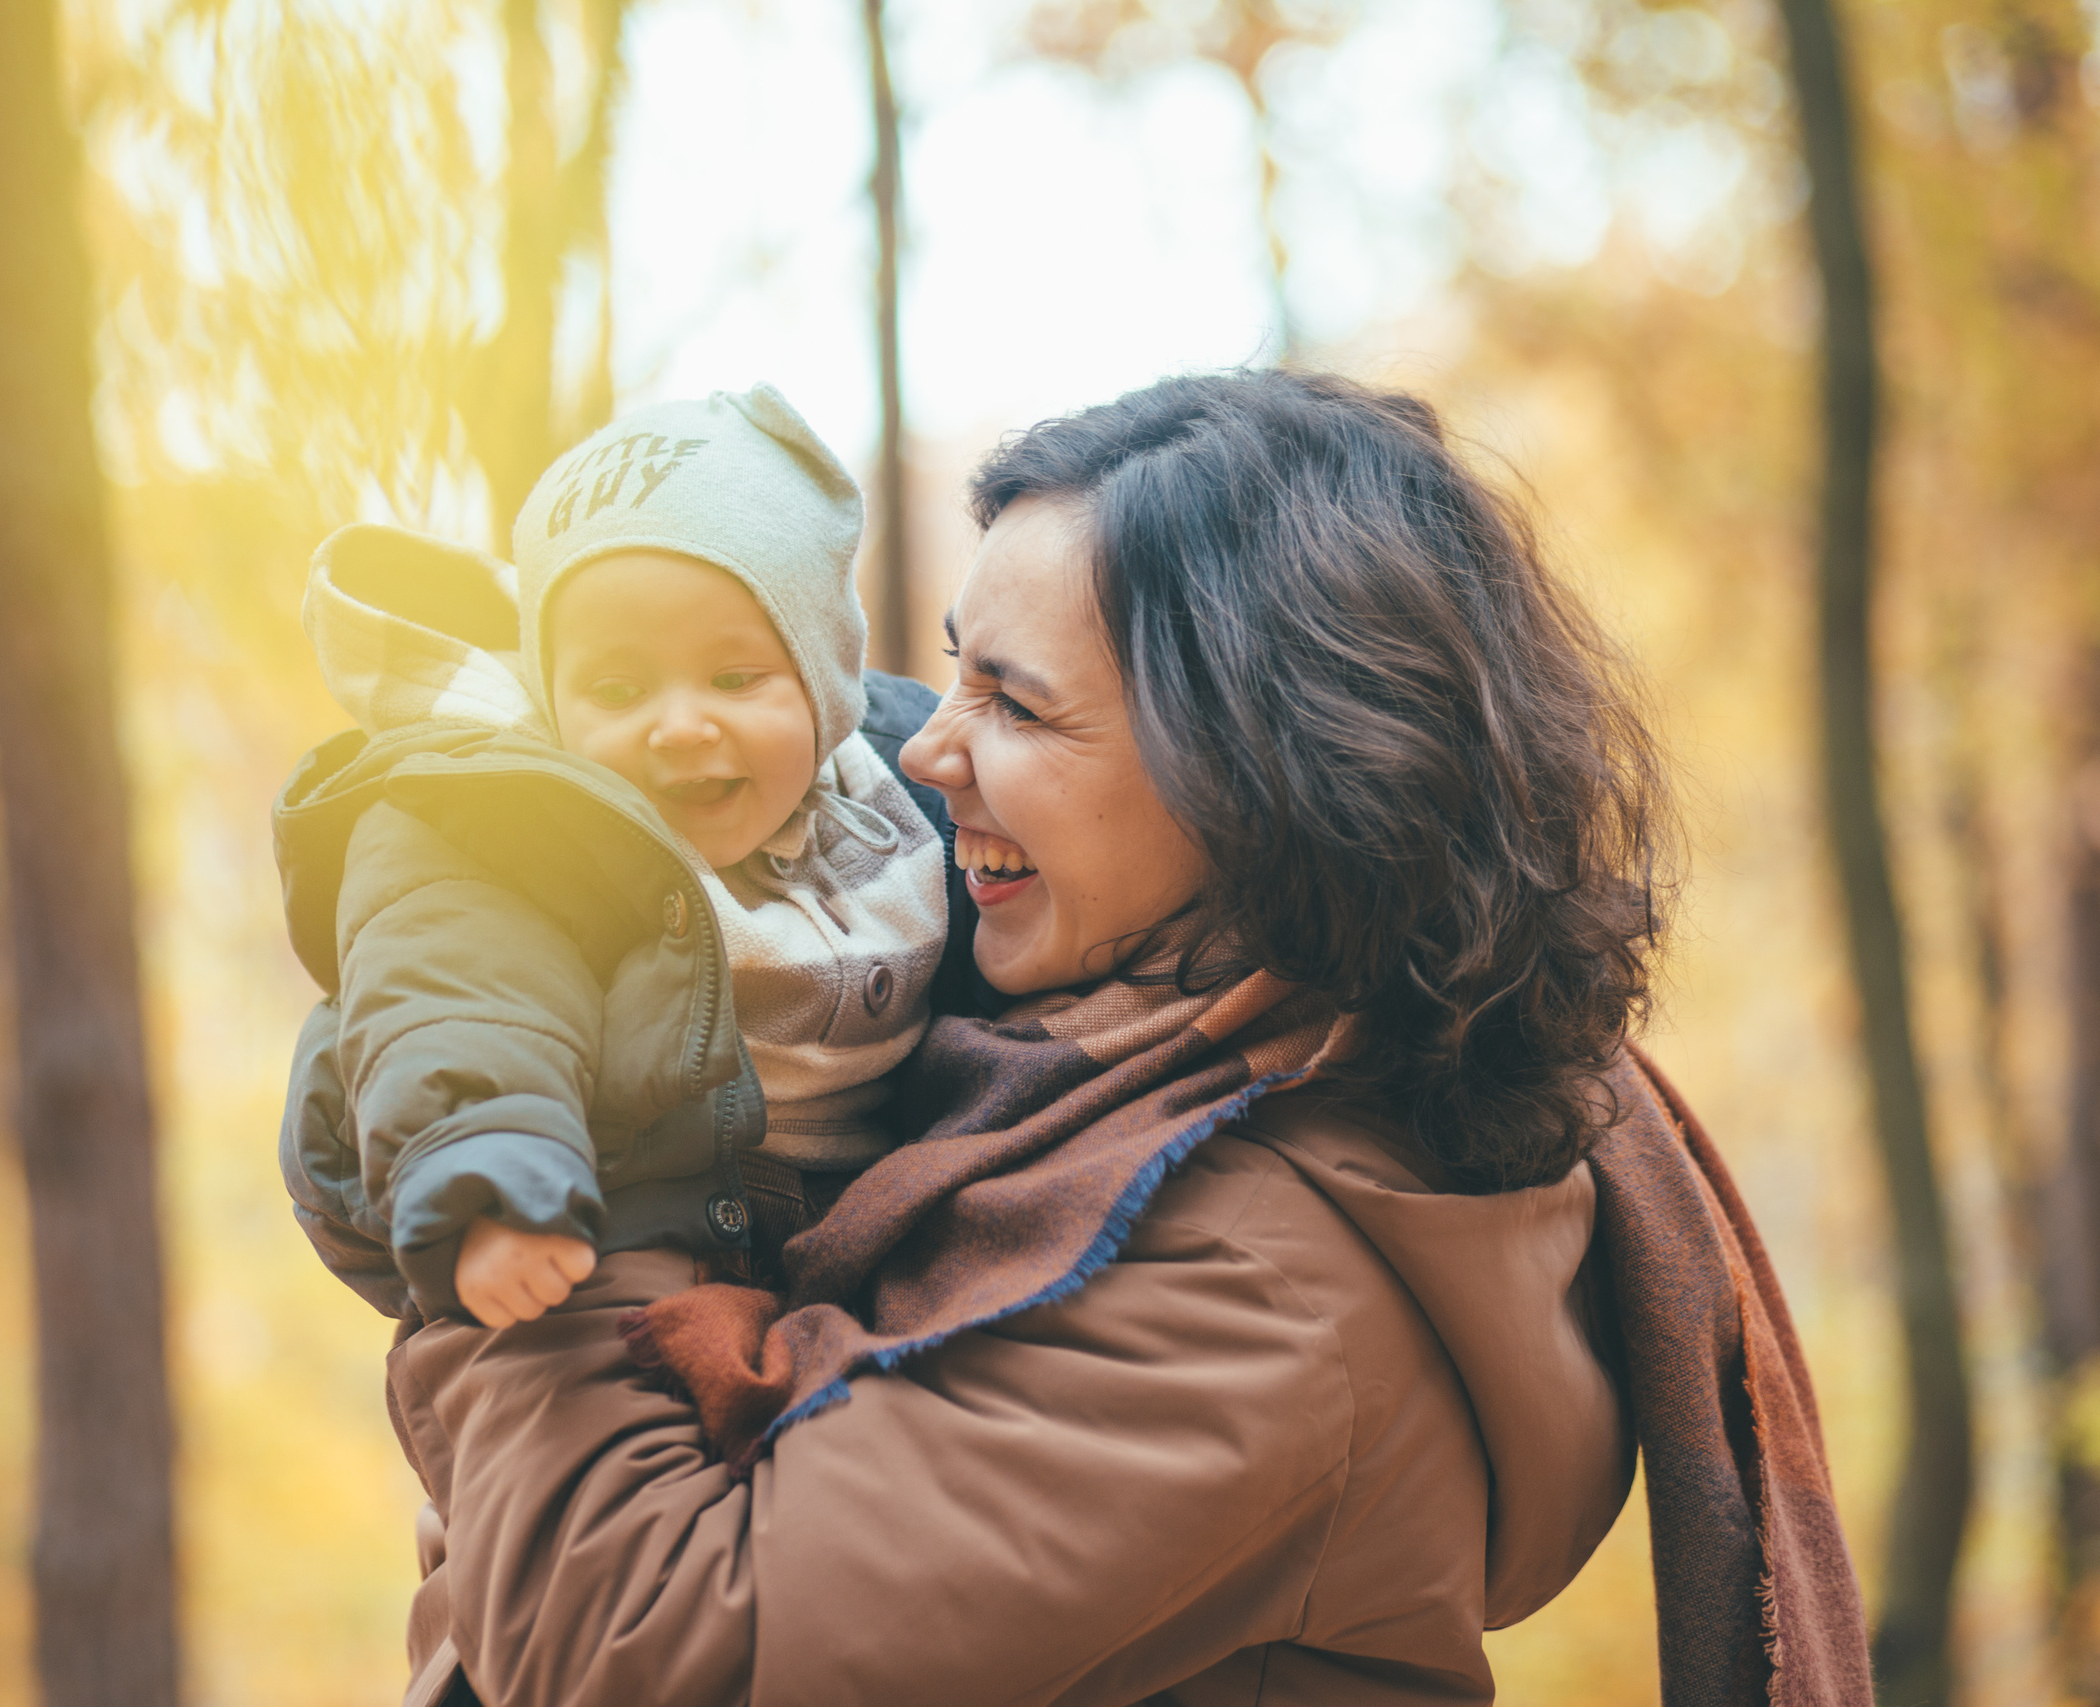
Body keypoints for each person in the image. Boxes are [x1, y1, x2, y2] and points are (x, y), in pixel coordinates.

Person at [375, 369, 1873, 1706]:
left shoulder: (1259, 1281)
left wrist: (557, 1189)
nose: (923, 746)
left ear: (1267, 780)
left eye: (1015, 703)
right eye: (952, 666)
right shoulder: (1074, 1081)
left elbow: (639, 1648)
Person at [272, 384, 964, 1331]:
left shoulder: (900, 783)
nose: (680, 726)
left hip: (868, 1231)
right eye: (617, 686)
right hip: (616, 1238)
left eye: (734, 676)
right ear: (551, 700)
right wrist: (497, 1186)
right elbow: (458, 1000)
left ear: (822, 679)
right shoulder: (513, 824)